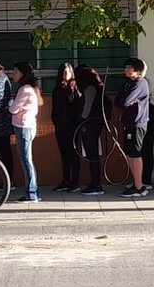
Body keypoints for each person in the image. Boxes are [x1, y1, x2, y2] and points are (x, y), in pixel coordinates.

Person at [115, 56, 151, 197]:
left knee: (135, 153)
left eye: (129, 68)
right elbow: (119, 101)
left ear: (138, 70)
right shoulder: (128, 84)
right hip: (128, 122)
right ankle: (136, 182)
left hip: (137, 123)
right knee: (130, 154)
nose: (126, 70)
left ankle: (139, 186)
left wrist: (127, 100)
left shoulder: (140, 83)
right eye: (126, 67)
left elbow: (125, 101)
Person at [8, 61, 43, 202]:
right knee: (27, 159)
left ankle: (32, 192)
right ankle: (33, 191)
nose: (13, 74)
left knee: (26, 160)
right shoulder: (30, 88)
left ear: (22, 74)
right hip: (26, 125)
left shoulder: (25, 89)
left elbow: (13, 109)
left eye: (16, 72)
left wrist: (10, 104)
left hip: (24, 126)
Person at [74, 65, 106, 195]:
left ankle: (96, 184)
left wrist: (80, 121)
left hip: (89, 125)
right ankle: (95, 183)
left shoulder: (90, 89)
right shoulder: (99, 87)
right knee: (94, 154)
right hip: (97, 123)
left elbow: (86, 110)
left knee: (92, 155)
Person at [50, 61, 82, 191]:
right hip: (60, 126)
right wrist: (56, 121)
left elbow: (78, 106)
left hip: (73, 125)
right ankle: (66, 179)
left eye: (68, 71)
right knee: (64, 153)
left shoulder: (75, 88)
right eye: (63, 72)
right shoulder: (57, 89)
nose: (65, 74)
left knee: (73, 153)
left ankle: (75, 181)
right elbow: (55, 107)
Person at [141, 80, 154, 191]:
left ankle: (146, 180)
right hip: (144, 117)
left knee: (147, 151)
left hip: (149, 118)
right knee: (140, 152)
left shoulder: (145, 82)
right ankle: (140, 179)